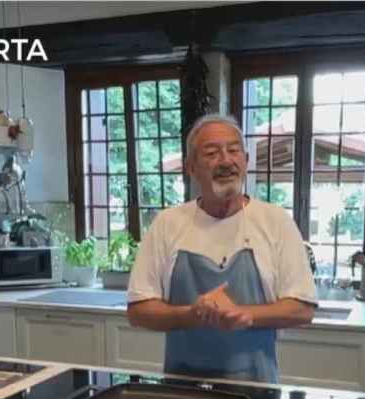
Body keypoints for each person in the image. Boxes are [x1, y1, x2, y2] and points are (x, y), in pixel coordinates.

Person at [127, 114, 316, 382]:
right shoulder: (168, 224)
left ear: (246, 161)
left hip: (257, 392)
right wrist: (192, 315)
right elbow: (138, 310)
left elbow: (302, 309)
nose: (226, 161)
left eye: (233, 151)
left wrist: (244, 315)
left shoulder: (276, 222)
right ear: (190, 167)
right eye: (212, 153)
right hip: (181, 390)